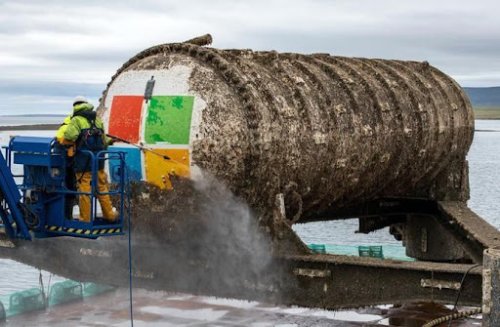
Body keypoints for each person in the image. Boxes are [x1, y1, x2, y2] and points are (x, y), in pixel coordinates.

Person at [63, 96, 116, 223]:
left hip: (83, 162)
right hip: (99, 161)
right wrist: (111, 140)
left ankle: (85, 219)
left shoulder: (76, 120)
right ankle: (110, 216)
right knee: (102, 188)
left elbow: (70, 136)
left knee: (84, 191)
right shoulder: (97, 120)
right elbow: (104, 140)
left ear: (75, 106)